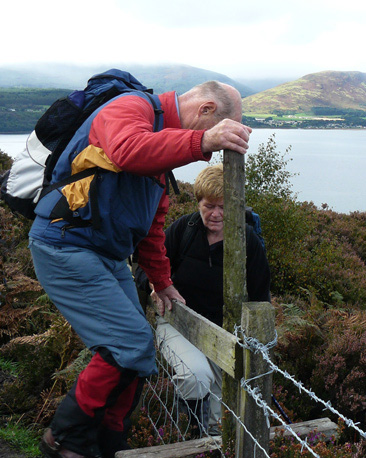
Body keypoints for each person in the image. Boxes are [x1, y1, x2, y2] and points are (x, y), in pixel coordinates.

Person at [28, 80, 251, 458]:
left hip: (104, 255)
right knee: (127, 344)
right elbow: (127, 150)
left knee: (140, 352)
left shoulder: (161, 147)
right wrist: (202, 143)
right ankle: (64, 438)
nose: (207, 155)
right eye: (212, 130)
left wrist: (162, 282)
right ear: (206, 110)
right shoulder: (131, 108)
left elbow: (151, 226)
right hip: (65, 244)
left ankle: (108, 440)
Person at [135, 163, 271, 437]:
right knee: (195, 377)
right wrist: (152, 284)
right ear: (199, 202)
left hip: (223, 336)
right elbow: (144, 266)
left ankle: (209, 443)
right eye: (209, 205)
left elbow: (260, 297)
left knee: (224, 419)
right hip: (177, 323)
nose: (216, 214)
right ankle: (191, 432)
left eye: (223, 206)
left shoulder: (248, 243)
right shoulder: (183, 229)